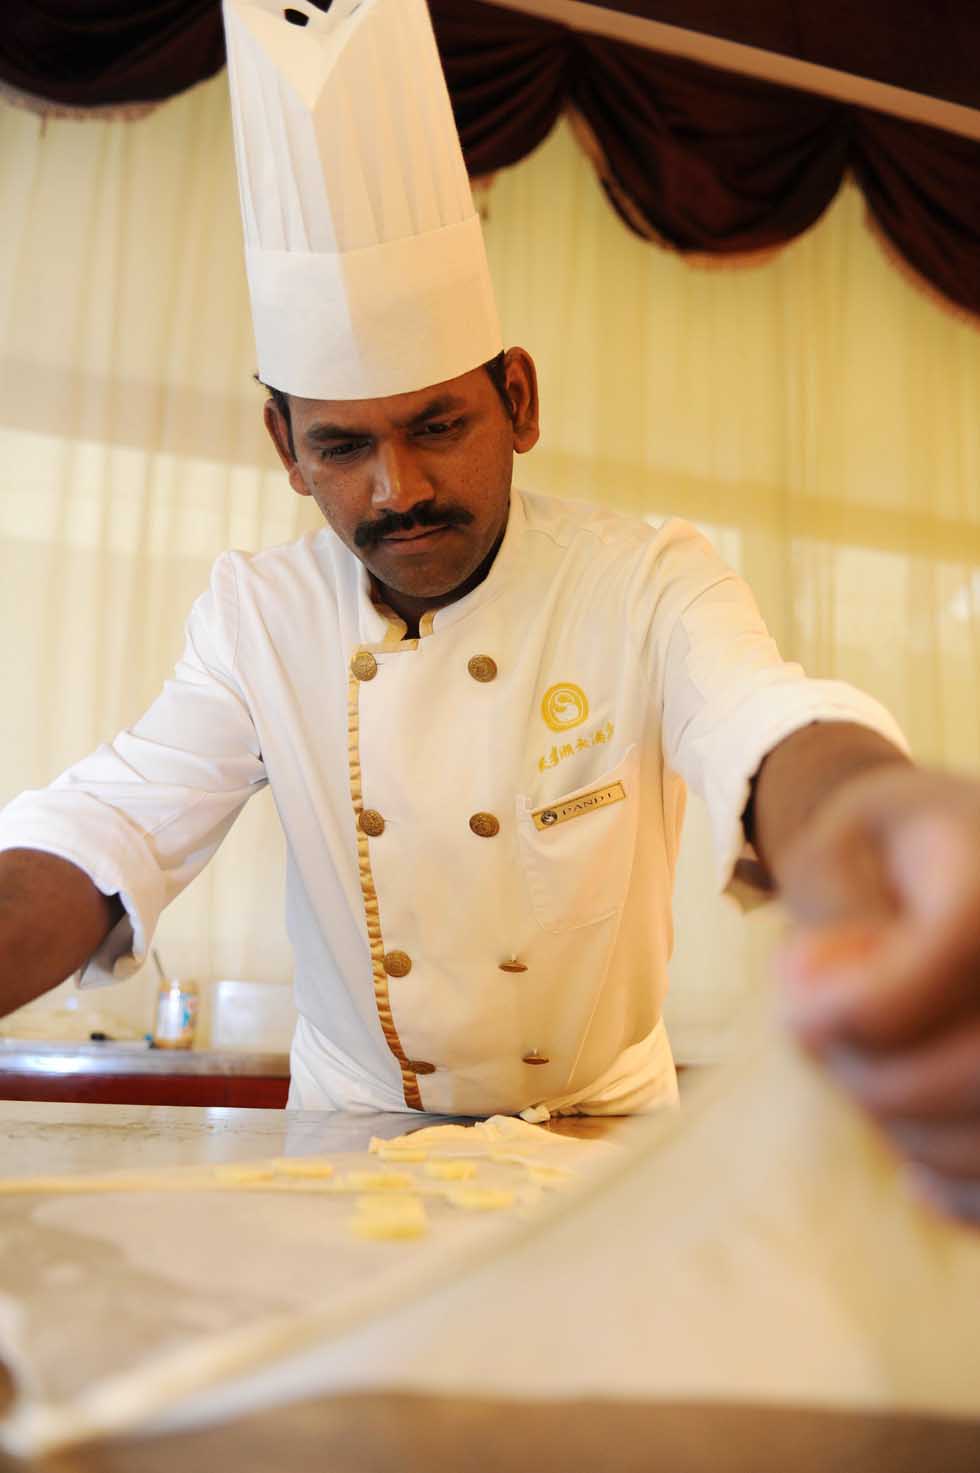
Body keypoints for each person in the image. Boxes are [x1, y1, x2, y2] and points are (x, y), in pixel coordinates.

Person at [1, 0, 977, 1225]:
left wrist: (879, 822)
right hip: (345, 1147)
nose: (395, 489)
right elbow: (106, 828)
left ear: (515, 397)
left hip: (602, 1148)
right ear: (284, 448)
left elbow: (764, 727)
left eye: (438, 426)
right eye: (342, 446)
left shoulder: (643, 576)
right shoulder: (256, 617)